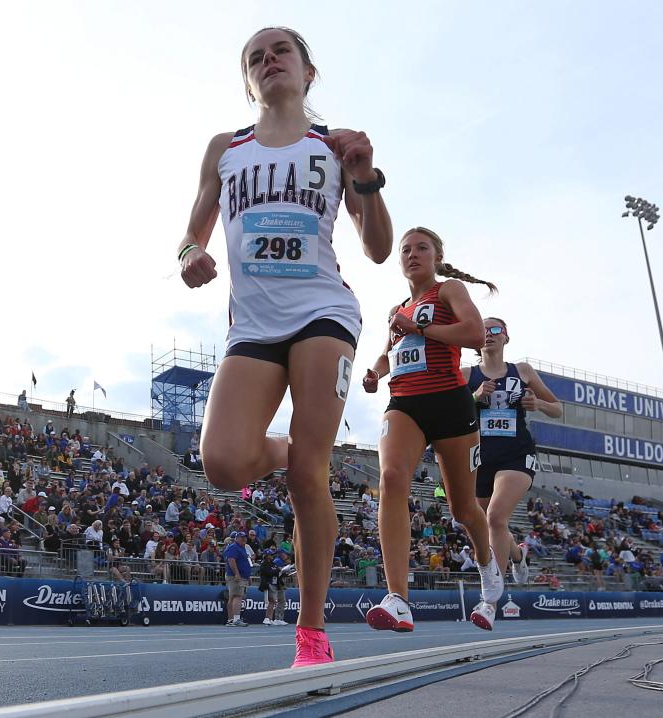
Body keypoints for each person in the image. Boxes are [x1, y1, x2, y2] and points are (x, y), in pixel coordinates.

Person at [177, 26, 392, 667]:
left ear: (307, 71)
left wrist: (366, 177)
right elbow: (191, 233)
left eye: (281, 52)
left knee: (309, 473)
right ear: (250, 81)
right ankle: (278, 448)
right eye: (256, 58)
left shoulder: (337, 145)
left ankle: (310, 632)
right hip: (253, 328)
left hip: (323, 313)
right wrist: (192, 254)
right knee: (222, 464)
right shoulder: (225, 149)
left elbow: (378, 248)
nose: (269, 61)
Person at [362, 227, 504, 633]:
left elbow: (475, 334)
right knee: (390, 478)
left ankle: (486, 563)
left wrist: (419, 328)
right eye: (405, 249)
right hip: (404, 403)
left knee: (463, 510)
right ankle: (398, 599)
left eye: (421, 248)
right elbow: (392, 351)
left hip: (450, 403)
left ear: (437, 256)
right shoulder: (397, 310)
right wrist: (374, 371)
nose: (412, 254)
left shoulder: (448, 291)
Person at [464, 317, 561, 584]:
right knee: (487, 523)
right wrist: (473, 397)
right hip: (481, 457)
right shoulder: (466, 375)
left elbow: (558, 408)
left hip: (516, 454)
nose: (489, 334)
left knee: (496, 516)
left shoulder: (522, 371)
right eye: (482, 329)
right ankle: (518, 555)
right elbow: (450, 413)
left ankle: (492, 594)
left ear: (506, 337)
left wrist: (537, 403)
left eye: (496, 329)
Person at [223, 532, 253, 626]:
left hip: (241, 576)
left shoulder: (242, 548)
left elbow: (246, 562)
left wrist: (248, 576)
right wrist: (236, 574)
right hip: (235, 576)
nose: (244, 539)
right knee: (237, 596)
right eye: (241, 537)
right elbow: (231, 560)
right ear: (236, 538)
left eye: (244, 537)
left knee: (233, 596)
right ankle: (236, 619)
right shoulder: (234, 547)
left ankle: (231, 619)